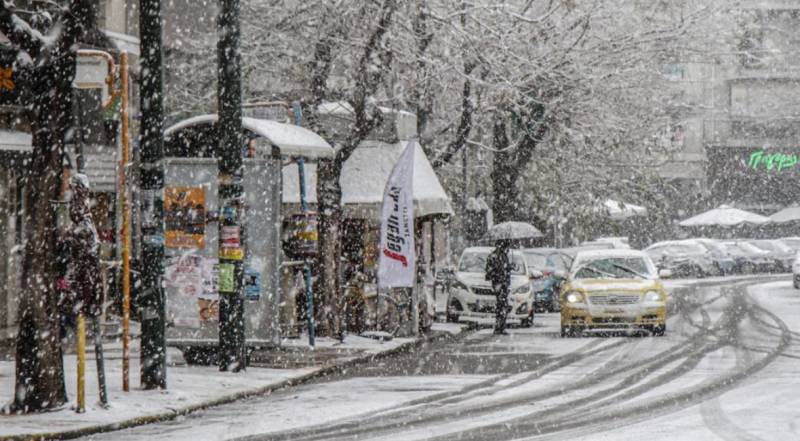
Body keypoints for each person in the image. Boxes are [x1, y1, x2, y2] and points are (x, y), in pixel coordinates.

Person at [486, 239, 512, 335]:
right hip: (500, 284)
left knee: (502, 305)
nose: (508, 249)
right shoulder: (496, 256)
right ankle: (499, 327)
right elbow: (490, 272)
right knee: (502, 305)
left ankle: (500, 326)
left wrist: (508, 267)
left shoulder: (501, 256)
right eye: (507, 247)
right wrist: (501, 273)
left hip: (501, 284)